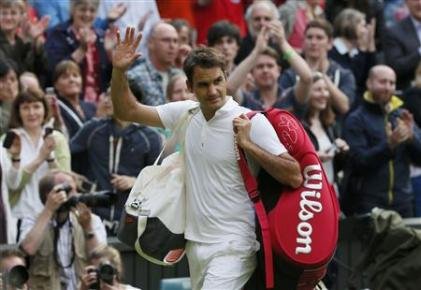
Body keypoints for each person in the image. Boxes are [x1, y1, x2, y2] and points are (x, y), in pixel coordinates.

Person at [111, 27, 302, 290]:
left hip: (235, 246)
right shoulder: (185, 113)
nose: (213, 90)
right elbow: (127, 109)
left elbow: (294, 174)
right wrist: (119, 71)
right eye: (203, 84)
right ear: (190, 87)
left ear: (226, 79)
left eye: (218, 81)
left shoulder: (250, 121)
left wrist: (248, 145)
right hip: (195, 246)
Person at [70, 91, 162, 229]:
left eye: (113, 96)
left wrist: (135, 181)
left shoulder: (151, 137)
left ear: (132, 100)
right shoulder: (92, 129)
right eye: (106, 95)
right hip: (94, 218)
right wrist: (71, 176)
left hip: (132, 221)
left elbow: (160, 181)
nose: (107, 101)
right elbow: (64, 154)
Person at [342, 65, 421, 217]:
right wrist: (389, 144)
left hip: (403, 202)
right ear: (369, 83)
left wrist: (412, 138)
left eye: (392, 83)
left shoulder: (401, 116)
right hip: (369, 204)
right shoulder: (356, 119)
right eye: (382, 82)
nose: (387, 87)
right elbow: (359, 162)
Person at [19, 169, 107, 290]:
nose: (76, 195)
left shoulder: (90, 219)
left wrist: (88, 228)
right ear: (49, 194)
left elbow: (100, 259)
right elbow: (28, 248)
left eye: (76, 189)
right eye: (69, 190)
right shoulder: (33, 220)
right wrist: (49, 210)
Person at [1, 90, 71, 228]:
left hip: (53, 216)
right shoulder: (9, 139)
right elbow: (11, 185)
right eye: (25, 108)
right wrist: (40, 158)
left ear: (45, 109)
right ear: (18, 112)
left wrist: (50, 158)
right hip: (18, 216)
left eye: (36, 106)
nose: (31, 113)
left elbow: (66, 182)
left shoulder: (57, 138)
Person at [227, 20, 312, 111]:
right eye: (260, 66)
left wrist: (283, 43)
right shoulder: (248, 100)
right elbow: (229, 88)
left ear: (279, 70)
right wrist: (256, 52)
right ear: (252, 72)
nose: (265, 70)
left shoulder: (291, 96)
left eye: (270, 66)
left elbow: (307, 77)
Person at [281, 19, 355, 117]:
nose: (313, 42)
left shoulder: (342, 74)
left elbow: (344, 107)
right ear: (303, 42)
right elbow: (282, 106)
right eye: (309, 37)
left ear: (330, 43)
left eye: (319, 38)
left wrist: (322, 76)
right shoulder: (290, 74)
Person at [45, 0, 113, 104]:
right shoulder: (58, 34)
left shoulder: (101, 37)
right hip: (68, 103)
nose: (87, 14)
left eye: (92, 10)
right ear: (73, 10)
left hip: (100, 104)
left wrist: (110, 53)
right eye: (82, 9)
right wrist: (81, 49)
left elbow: (109, 78)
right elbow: (54, 72)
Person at [127, 21, 180, 106]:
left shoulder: (179, 75)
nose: (172, 46)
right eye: (166, 40)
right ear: (151, 43)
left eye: (175, 41)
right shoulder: (134, 77)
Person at [329, 8, 377, 101]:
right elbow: (353, 79)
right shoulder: (333, 51)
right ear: (349, 25)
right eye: (363, 26)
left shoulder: (356, 52)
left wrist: (370, 45)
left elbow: (372, 75)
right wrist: (363, 50)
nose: (365, 31)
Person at [384, 0, 421, 90]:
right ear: (406, 2)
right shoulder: (394, 32)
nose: (420, 3)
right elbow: (395, 67)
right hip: (412, 94)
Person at [0, 59, 19, 135]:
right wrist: (9, 102)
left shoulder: (25, 104)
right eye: (3, 80)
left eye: (13, 79)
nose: (9, 84)